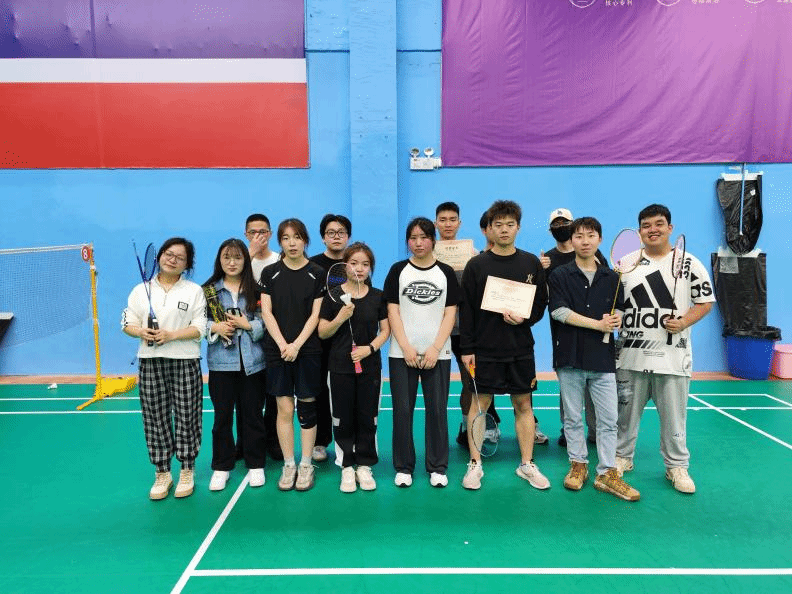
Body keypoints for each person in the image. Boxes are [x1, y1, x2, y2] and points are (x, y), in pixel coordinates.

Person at [615, 204, 714, 494]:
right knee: (624, 417)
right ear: (639, 231)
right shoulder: (626, 263)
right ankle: (622, 458)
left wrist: (683, 322)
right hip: (630, 356)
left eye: (659, 224)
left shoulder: (688, 262)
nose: (653, 230)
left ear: (670, 228)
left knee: (674, 421)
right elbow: (614, 303)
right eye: (646, 225)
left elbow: (705, 302)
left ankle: (676, 467)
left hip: (673, 358)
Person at [548, 217, 640, 501]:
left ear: (599, 239)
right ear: (572, 240)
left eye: (590, 235)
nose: (584, 241)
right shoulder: (560, 275)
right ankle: (578, 465)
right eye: (579, 236)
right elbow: (558, 312)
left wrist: (616, 319)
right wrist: (598, 325)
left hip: (602, 360)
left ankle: (607, 472)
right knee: (573, 418)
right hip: (570, 356)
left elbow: (621, 309)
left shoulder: (613, 278)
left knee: (609, 419)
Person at [460, 200, 549, 491]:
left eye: (510, 224)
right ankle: (475, 463)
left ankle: (526, 464)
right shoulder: (476, 265)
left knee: (523, 404)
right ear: (489, 229)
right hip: (484, 349)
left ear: (518, 227)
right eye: (498, 225)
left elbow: (540, 303)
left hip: (520, 348)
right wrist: (467, 349)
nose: (504, 230)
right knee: (479, 405)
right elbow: (467, 310)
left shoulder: (531, 263)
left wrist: (525, 318)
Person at [122, 237, 207, 500]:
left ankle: (187, 469)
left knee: (187, 415)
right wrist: (141, 331)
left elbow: (200, 328)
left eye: (180, 257)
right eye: (168, 254)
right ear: (159, 256)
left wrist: (171, 336)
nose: (172, 259)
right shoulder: (140, 291)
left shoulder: (194, 291)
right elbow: (127, 323)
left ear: (187, 265)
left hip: (185, 360)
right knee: (154, 417)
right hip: (150, 361)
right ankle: (162, 472)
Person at [384, 217, 459, 488]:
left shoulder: (446, 273)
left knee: (437, 411)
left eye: (424, 237)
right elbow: (392, 311)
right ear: (408, 242)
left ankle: (437, 466)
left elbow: (450, 313)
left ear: (433, 240)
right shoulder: (397, 271)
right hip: (401, 354)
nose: (418, 243)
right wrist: (405, 346)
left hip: (437, 353)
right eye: (413, 238)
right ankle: (404, 467)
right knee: (402, 411)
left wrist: (435, 348)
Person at [318, 242, 390, 492]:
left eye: (365, 264)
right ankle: (346, 464)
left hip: (370, 367)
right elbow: (322, 332)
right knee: (342, 417)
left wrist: (369, 348)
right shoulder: (332, 296)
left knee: (368, 416)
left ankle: (365, 464)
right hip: (339, 367)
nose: (359, 268)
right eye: (354, 263)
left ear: (370, 268)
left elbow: (386, 331)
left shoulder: (378, 296)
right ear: (345, 265)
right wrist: (340, 317)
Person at [260, 219, 326, 492]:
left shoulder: (317, 272)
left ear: (305, 241)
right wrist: (282, 344)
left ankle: (306, 464)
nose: (292, 243)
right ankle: (289, 464)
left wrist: (296, 345)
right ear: (280, 242)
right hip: (278, 351)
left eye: (297, 237)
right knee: (284, 408)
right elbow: (266, 312)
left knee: (308, 407)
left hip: (307, 349)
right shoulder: (270, 272)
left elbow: (316, 314)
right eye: (286, 238)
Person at [434, 202, 500, 451]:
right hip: (435, 330)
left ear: (459, 223)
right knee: (436, 385)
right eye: (443, 220)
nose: (448, 224)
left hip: (464, 330)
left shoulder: (472, 255)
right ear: (436, 223)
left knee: (469, 382)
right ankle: (436, 435)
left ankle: (468, 428)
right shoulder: (427, 255)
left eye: (452, 219)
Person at [203, 238, 267, 491]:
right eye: (227, 257)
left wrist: (247, 325)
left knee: (253, 416)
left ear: (245, 261)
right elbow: (197, 323)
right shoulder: (208, 291)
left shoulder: (256, 290)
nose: (232, 262)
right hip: (221, 364)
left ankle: (256, 464)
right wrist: (215, 327)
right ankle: (222, 467)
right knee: (222, 418)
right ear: (219, 261)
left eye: (238, 257)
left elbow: (266, 321)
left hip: (253, 364)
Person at [539, 208, 605, 447]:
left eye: (565, 223)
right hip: (564, 330)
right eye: (556, 224)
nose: (561, 227)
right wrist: (539, 271)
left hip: (595, 330)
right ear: (551, 230)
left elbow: (606, 287)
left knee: (596, 382)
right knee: (568, 383)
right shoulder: (546, 259)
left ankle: (596, 430)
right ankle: (568, 430)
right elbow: (543, 297)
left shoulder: (594, 256)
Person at [310, 214, 353, 463]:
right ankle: (320, 441)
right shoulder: (313, 264)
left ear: (348, 236)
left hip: (346, 339)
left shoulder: (355, 264)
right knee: (318, 391)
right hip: (319, 338)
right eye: (331, 232)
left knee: (344, 392)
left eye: (341, 232)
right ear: (323, 237)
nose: (336, 237)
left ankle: (347, 439)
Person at [245, 214, 282, 462]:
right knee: (248, 396)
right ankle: (247, 442)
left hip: (273, 333)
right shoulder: (240, 260)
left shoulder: (279, 260)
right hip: (246, 335)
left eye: (263, 232)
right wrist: (249, 253)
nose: (258, 236)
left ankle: (274, 441)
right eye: (253, 232)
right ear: (246, 234)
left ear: (270, 234)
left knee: (274, 393)